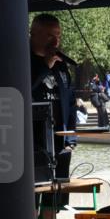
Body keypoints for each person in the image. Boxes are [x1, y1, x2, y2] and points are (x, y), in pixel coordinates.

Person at [30, 14, 76, 198]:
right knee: (33, 194)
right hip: (34, 142)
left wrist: (71, 137)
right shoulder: (22, 60)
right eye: (50, 35)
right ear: (34, 33)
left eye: (58, 35)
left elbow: (70, 101)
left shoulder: (61, 64)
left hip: (60, 140)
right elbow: (21, 89)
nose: (55, 40)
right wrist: (45, 65)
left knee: (56, 197)